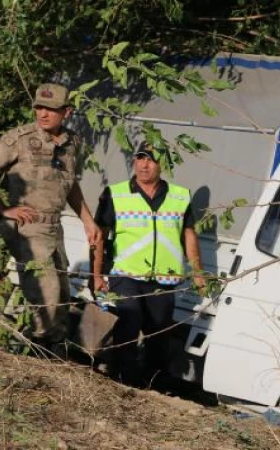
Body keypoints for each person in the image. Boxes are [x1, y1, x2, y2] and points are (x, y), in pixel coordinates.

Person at [0, 83, 101, 347]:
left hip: (55, 227)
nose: (43, 114)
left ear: (66, 112)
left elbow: (70, 185)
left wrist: (88, 221)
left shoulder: (72, 142)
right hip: (28, 226)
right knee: (46, 296)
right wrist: (3, 209)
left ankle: (50, 355)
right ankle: (36, 351)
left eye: (50, 109)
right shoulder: (20, 139)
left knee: (63, 295)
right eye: (39, 108)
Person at [92, 142, 205, 385]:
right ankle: (120, 380)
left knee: (159, 332)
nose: (144, 165)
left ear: (162, 164)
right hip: (126, 274)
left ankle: (151, 384)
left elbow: (189, 235)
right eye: (140, 158)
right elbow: (99, 235)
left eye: (151, 159)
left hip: (164, 277)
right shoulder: (116, 193)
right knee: (129, 322)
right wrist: (97, 274)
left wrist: (198, 272)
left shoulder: (179, 196)